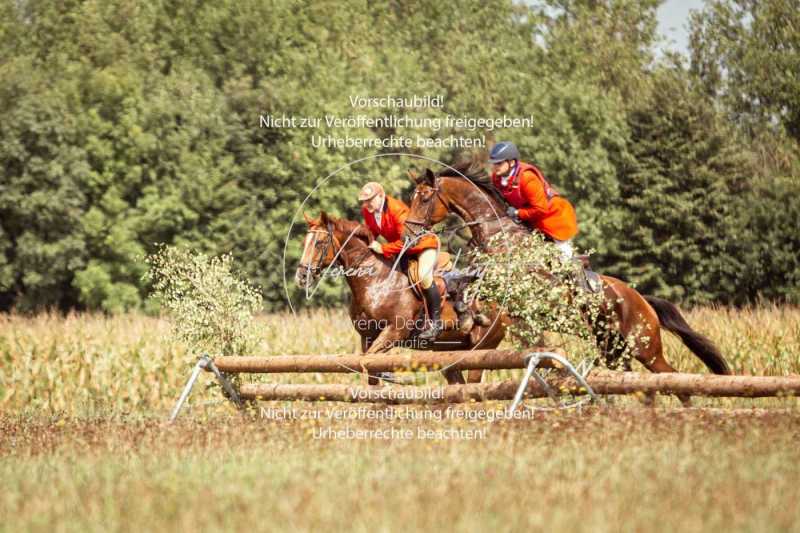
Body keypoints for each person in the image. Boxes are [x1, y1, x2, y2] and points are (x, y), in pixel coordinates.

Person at [358, 182, 443, 341]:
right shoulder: (368, 211)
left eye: (370, 199)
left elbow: (408, 241)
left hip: (422, 245)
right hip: (401, 249)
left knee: (424, 276)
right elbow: (372, 232)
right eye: (364, 200)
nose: (366, 204)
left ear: (381, 196)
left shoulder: (397, 210)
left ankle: (436, 323)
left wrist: (383, 249)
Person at [488, 141, 578, 259]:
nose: (495, 167)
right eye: (494, 164)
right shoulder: (497, 177)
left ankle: (575, 274)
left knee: (564, 259)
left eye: (499, 163)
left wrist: (517, 213)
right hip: (531, 221)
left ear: (511, 162)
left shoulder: (527, 178)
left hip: (553, 219)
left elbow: (541, 209)